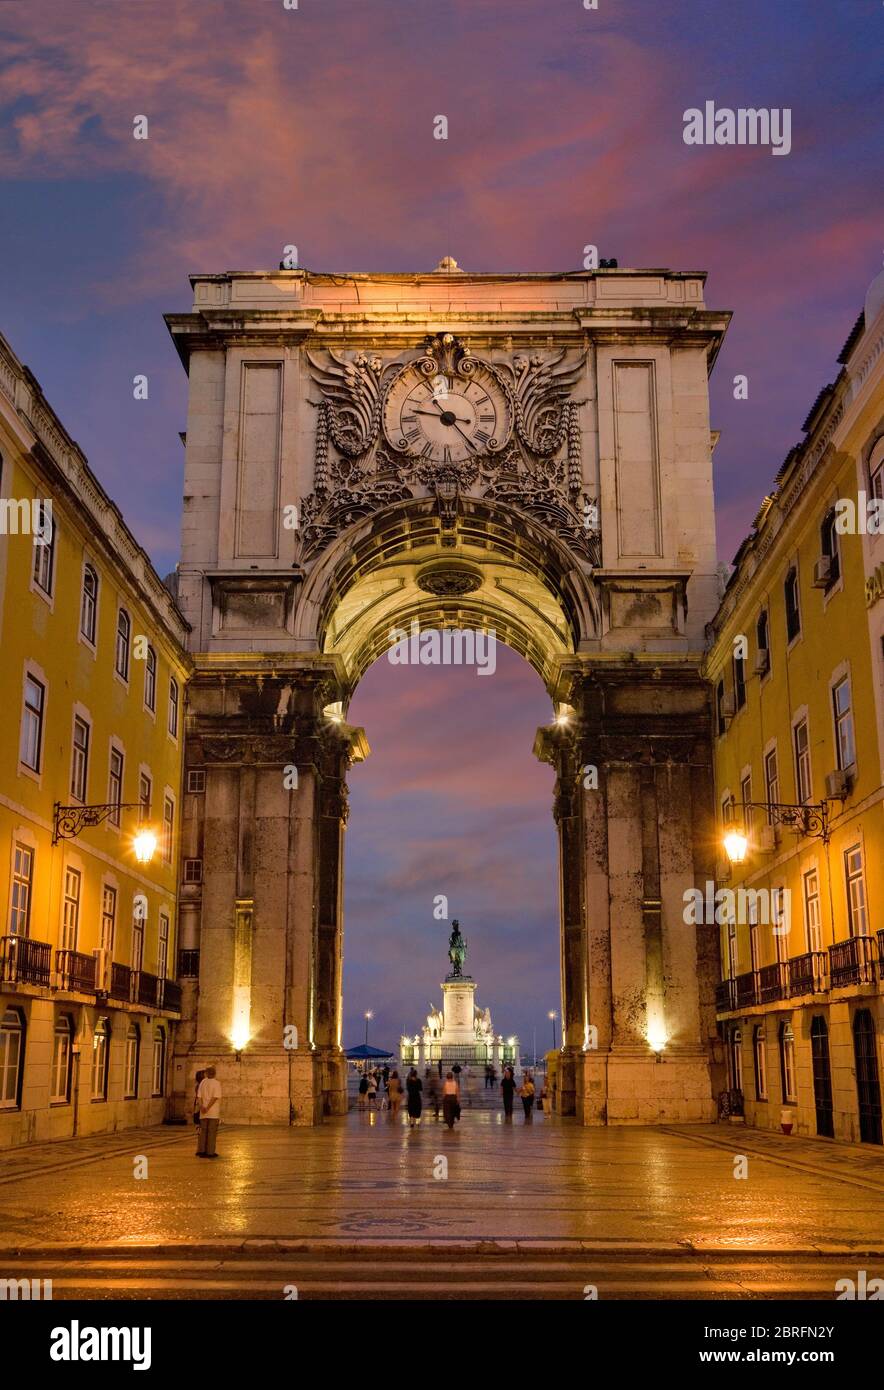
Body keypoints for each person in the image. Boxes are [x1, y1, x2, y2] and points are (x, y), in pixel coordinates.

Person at [196, 1064, 222, 1157]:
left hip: (203, 1112)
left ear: (206, 1074)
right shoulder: (216, 1083)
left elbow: (199, 1096)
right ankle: (210, 1152)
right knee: (211, 1132)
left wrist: (202, 1107)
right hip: (213, 1112)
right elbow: (215, 1097)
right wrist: (207, 1107)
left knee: (202, 1132)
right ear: (214, 1074)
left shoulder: (203, 1082)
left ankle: (201, 1150)